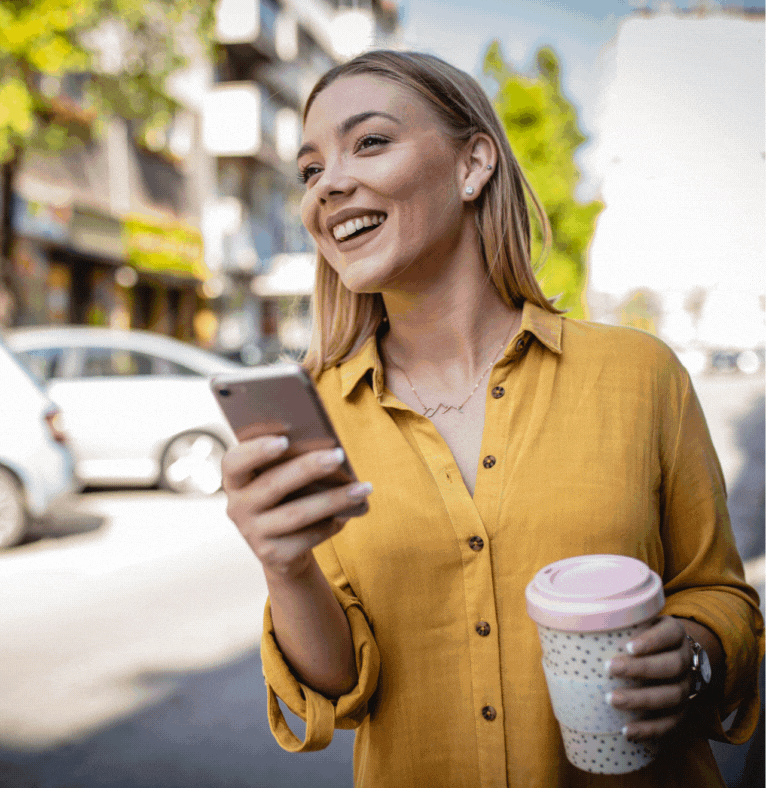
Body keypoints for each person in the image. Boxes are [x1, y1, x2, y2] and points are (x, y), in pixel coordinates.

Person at [220, 50, 764, 787]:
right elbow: (341, 689)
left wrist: (692, 654)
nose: (329, 185)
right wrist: (283, 567)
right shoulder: (322, 420)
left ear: (473, 162)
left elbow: (719, 593)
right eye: (310, 170)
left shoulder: (640, 375)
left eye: (370, 142)